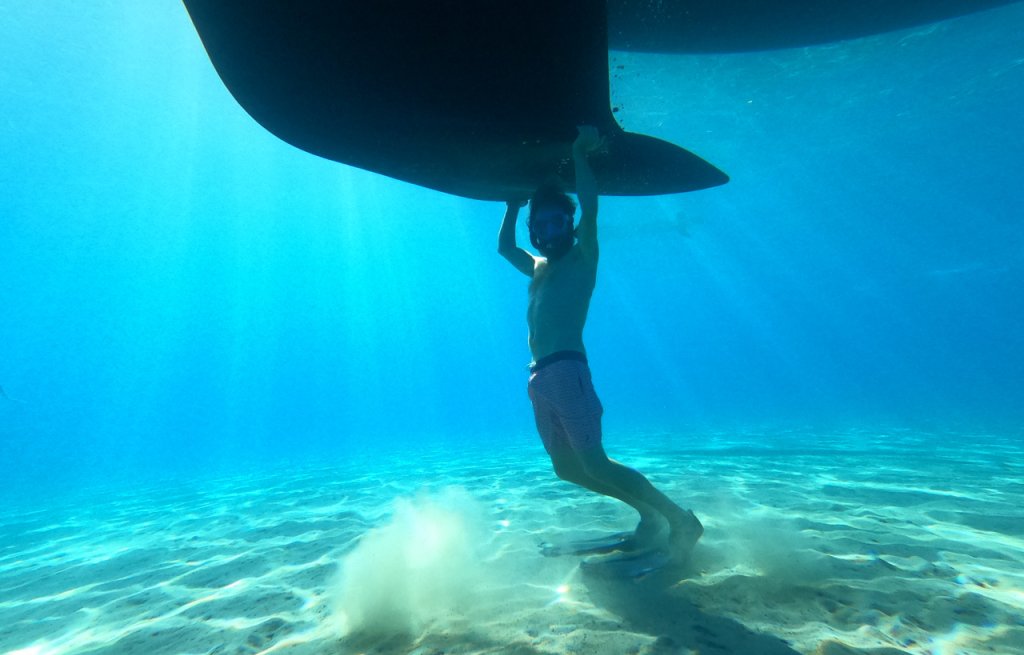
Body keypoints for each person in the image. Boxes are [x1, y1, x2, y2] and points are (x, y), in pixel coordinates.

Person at [498, 126, 703, 561]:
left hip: (567, 370)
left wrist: (579, 154)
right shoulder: (538, 267)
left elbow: (590, 210)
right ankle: (650, 515)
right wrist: (513, 206)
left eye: (558, 221)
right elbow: (504, 248)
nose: (550, 230)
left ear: (570, 226)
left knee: (595, 463)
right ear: (534, 229)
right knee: (566, 469)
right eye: (542, 224)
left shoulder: (583, 258)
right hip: (539, 377)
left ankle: (680, 519)